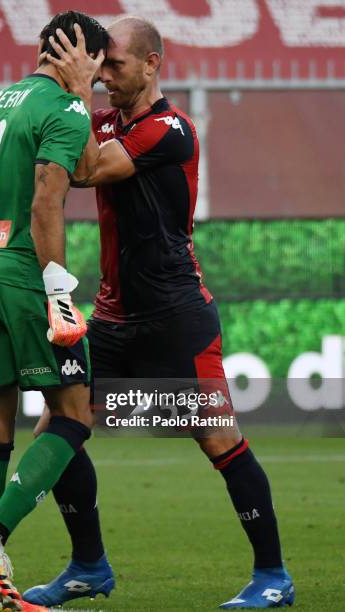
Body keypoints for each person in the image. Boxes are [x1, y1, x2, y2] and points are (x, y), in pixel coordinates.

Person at [23, 16, 295, 610]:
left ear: (151, 64)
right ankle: (88, 567)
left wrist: (74, 96)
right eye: (99, 65)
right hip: (113, 320)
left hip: (177, 317)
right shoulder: (99, 122)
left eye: (114, 65)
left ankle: (272, 576)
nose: (103, 76)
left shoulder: (171, 130)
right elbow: (54, 162)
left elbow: (87, 169)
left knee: (218, 437)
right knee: (60, 431)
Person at [0, 11, 111, 612]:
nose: (101, 78)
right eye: (99, 67)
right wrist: (58, 292)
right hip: (21, 277)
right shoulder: (64, 107)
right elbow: (51, 197)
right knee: (75, 414)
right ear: (79, 53)